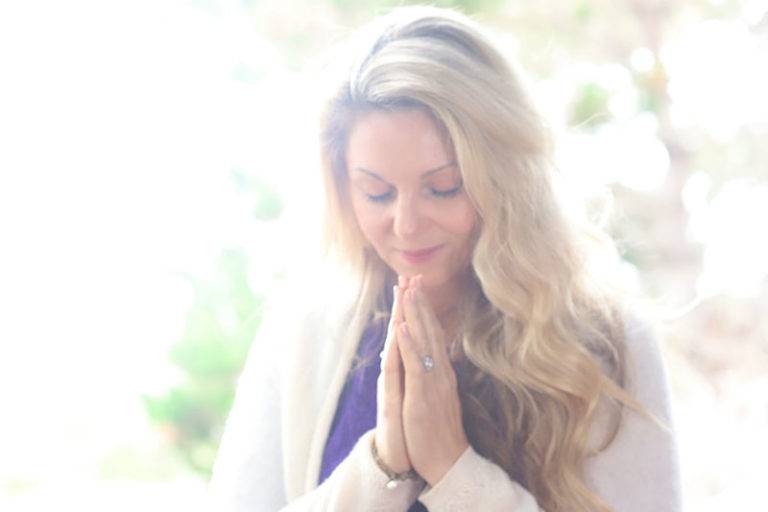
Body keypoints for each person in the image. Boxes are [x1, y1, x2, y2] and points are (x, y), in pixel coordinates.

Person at [210, 6, 681, 512]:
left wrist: (456, 472)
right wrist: (383, 469)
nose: (407, 225)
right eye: (376, 192)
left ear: (507, 180)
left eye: (443, 187)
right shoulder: (303, 334)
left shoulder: (605, 345)